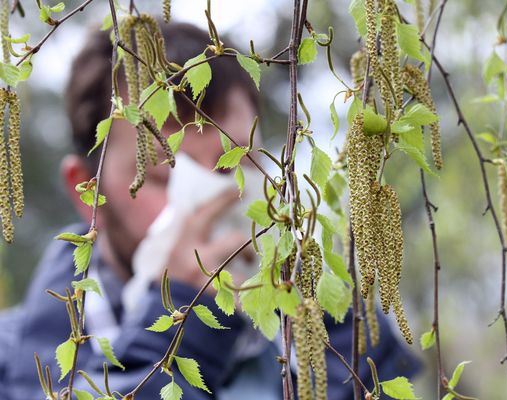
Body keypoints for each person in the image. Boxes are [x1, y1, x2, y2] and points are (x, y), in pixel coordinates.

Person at [0, 20, 420, 399]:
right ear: (86, 191)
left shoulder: (343, 346)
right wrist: (185, 321)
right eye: (164, 178)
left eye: (235, 167)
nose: (209, 202)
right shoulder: (12, 366)